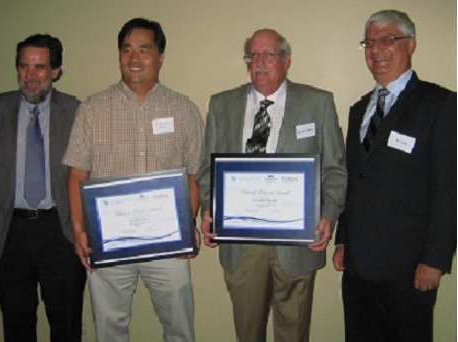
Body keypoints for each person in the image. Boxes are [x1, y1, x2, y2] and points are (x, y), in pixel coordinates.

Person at [197, 28, 347, 342]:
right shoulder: (222, 105)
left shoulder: (317, 103)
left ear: (286, 60)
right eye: (253, 55)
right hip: (241, 242)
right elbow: (207, 170)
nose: (259, 62)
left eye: (268, 54)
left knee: (293, 334)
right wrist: (209, 210)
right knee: (247, 333)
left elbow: (334, 169)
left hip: (298, 241)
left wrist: (329, 215)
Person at [63, 18, 204, 342]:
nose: (134, 58)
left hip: (168, 244)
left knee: (180, 327)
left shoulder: (184, 110)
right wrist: (80, 229)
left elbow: (196, 174)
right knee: (109, 328)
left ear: (160, 56)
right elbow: (77, 173)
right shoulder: (92, 109)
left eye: (144, 49)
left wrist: (187, 224)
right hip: (109, 241)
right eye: (126, 50)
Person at [332, 9, 457, 342]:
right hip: (359, 267)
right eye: (369, 42)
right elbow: (352, 182)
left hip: (409, 267)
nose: (376, 50)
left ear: (411, 43)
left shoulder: (440, 104)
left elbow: (448, 190)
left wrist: (435, 260)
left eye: (388, 39)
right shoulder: (359, 110)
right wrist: (343, 239)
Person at [0, 34, 86, 341]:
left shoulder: (76, 112)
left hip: (60, 231)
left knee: (66, 324)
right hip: (8, 232)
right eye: (23, 66)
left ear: (55, 71)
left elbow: (89, 176)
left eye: (39, 67)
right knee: (16, 323)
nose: (30, 76)